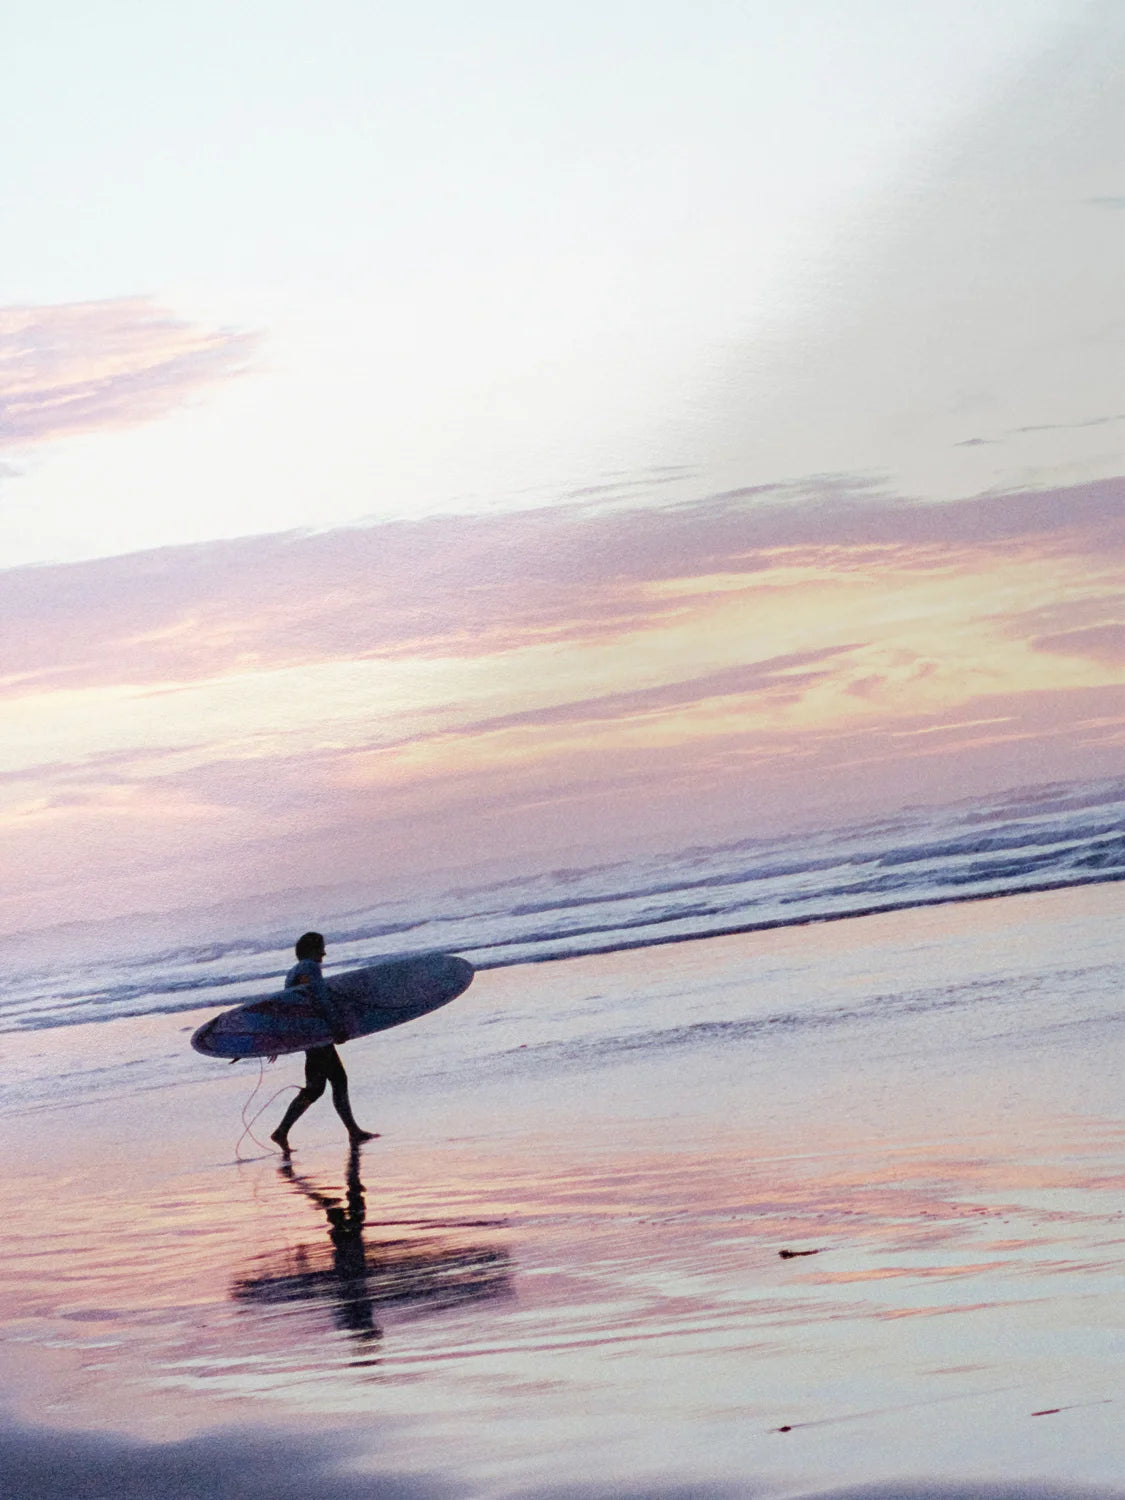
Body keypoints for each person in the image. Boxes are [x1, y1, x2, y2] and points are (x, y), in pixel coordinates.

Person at [270, 931, 377, 1154]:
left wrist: (281, 1038)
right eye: (321, 948)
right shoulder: (310, 968)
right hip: (317, 1034)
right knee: (336, 1080)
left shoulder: (292, 973)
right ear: (311, 950)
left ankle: (282, 1131)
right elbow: (321, 999)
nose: (324, 953)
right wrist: (336, 1026)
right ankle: (353, 1131)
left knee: (317, 1087)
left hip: (310, 1035)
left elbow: (291, 1007)